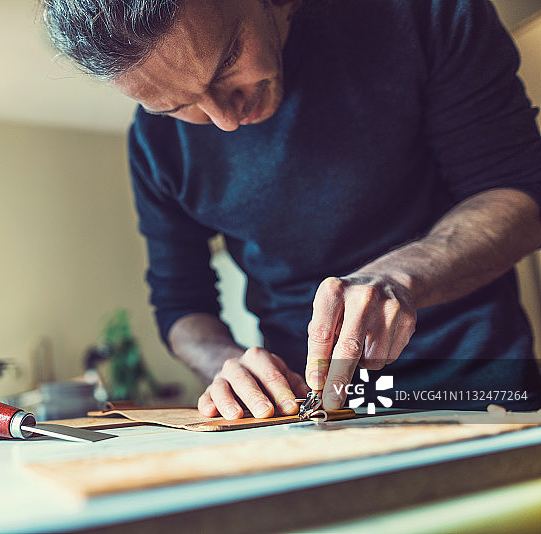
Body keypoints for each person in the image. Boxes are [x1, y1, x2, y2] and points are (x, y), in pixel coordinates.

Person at [41, 0, 541, 417]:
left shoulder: (423, 14)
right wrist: (227, 363)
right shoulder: (154, 145)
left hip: (477, 384)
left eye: (227, 62)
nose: (225, 119)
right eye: (176, 108)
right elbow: (181, 304)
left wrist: (401, 278)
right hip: (304, 408)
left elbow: (519, 191)